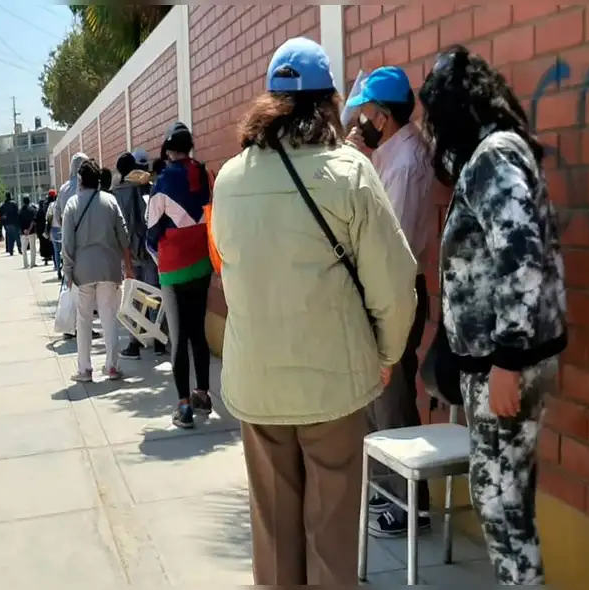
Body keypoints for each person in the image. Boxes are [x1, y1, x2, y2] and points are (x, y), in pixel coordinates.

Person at [210, 38, 417, 585]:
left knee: (275, 535)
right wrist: (387, 354)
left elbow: (228, 266)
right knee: (331, 532)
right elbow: (395, 285)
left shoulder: (229, 179)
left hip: (258, 382)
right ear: (329, 101)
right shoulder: (351, 172)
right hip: (333, 383)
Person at [419, 45, 567, 586]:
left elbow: (521, 257)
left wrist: (506, 360)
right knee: (506, 498)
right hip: (500, 362)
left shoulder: (494, 157)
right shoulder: (494, 152)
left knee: (501, 504)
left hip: (506, 365)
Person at [343, 66, 435, 537]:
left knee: (393, 398)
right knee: (378, 397)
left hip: (396, 291)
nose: (362, 122)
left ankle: (410, 505)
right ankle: (387, 490)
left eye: (366, 114)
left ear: (383, 116)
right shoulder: (394, 153)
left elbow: (390, 242)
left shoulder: (405, 163)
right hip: (386, 289)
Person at [146, 122, 215, 429]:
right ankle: (203, 394)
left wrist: (160, 258)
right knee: (198, 332)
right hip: (202, 265)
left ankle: (184, 407)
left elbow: (151, 233)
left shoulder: (162, 182)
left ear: (168, 150)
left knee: (179, 338)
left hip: (173, 269)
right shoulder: (205, 174)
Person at [62, 158, 134, 383]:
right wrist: (128, 266)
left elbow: (67, 242)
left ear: (80, 180)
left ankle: (85, 369)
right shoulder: (110, 201)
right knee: (108, 317)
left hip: (82, 271)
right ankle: (112, 366)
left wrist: (67, 271)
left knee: (83, 320)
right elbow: (124, 236)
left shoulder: (72, 204)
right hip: (109, 268)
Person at [113, 150, 168, 359]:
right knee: (154, 294)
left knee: (133, 299)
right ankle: (159, 341)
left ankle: (134, 344)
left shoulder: (116, 192)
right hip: (148, 248)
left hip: (128, 252)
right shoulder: (147, 187)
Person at [54, 153, 88, 282]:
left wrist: (65, 226)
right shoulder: (89, 186)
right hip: (87, 240)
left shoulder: (64, 188)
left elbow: (57, 215)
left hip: (68, 240)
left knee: (70, 279)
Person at [18, 196, 39, 269]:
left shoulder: (20, 210)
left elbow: (18, 222)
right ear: (29, 201)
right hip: (31, 232)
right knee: (33, 248)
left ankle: (25, 264)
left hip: (23, 232)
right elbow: (34, 221)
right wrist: (29, 229)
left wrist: (23, 230)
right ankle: (32, 263)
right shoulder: (32, 210)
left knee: (24, 249)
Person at [37, 189, 55, 264]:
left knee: (46, 242)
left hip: (47, 225)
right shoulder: (55, 203)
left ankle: (47, 257)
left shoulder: (45, 203)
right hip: (55, 225)